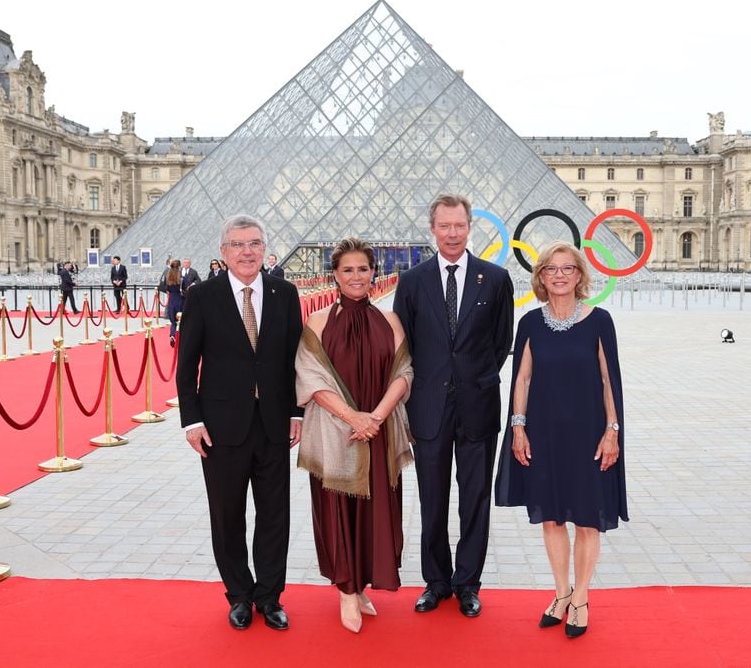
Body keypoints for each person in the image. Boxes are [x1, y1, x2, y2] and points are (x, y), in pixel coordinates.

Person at [495, 241, 628, 639]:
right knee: (552, 517)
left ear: (580, 276)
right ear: (540, 277)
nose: (559, 275)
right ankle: (561, 593)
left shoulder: (600, 320)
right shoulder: (530, 324)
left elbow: (610, 380)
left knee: (588, 519)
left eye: (567, 268)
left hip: (589, 434)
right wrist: (518, 428)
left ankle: (582, 598)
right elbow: (521, 378)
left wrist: (612, 431)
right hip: (544, 433)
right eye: (551, 269)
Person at [176, 215, 303, 632]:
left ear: (265, 248)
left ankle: (269, 595)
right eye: (237, 244)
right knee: (227, 516)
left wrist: (295, 412)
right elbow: (186, 365)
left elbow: (293, 361)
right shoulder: (202, 296)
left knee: (274, 516)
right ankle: (239, 595)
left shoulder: (284, 293)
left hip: (272, 425)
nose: (247, 251)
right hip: (220, 426)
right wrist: (191, 422)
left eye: (254, 243)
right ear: (223, 252)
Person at [393, 193, 513, 618]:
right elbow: (402, 345)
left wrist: (471, 379)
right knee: (432, 498)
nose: (452, 233)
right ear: (432, 229)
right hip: (427, 408)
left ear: (469, 227)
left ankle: (468, 583)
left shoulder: (495, 280)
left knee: (475, 498)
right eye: (444, 226)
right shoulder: (412, 282)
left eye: (459, 225)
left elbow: (501, 343)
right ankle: (436, 581)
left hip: (478, 405)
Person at [295, 237, 413, 634]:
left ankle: (362, 585)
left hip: (377, 432)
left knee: (375, 510)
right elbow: (310, 377)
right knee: (337, 510)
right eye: (348, 269)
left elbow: (404, 373)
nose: (356, 276)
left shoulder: (390, 321)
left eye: (363, 268)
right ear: (335, 275)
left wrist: (375, 418)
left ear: (373, 273)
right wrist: (352, 418)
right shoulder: (318, 322)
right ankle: (346, 589)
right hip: (335, 433)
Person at [164, 259, 183, 346]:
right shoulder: (182, 278)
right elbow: (186, 289)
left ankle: (172, 335)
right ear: (179, 266)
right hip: (180, 300)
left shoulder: (168, 278)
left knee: (173, 321)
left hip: (171, 300)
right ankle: (180, 338)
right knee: (181, 321)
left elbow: (166, 288)